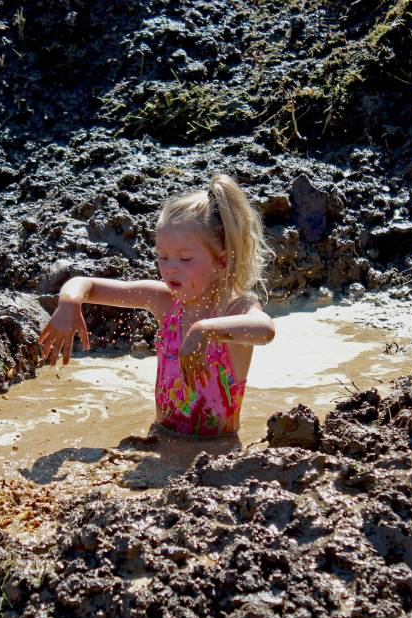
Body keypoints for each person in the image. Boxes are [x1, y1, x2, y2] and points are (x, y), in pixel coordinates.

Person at [37, 174, 276, 438]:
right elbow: (86, 284)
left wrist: (204, 330)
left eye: (185, 259)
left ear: (221, 260)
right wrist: (70, 301)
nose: (170, 267)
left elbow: (265, 329)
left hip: (216, 454)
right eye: (162, 256)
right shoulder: (163, 301)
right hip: (161, 437)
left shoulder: (234, 309)